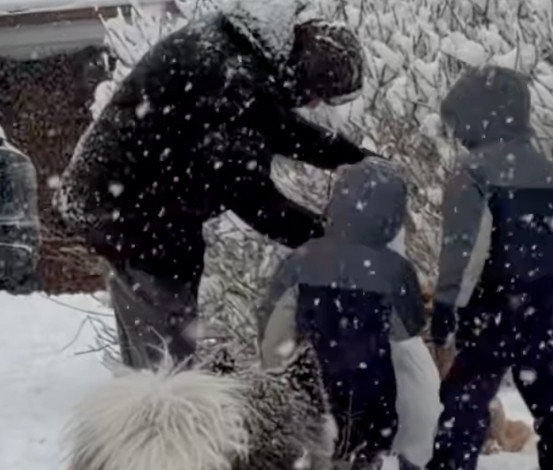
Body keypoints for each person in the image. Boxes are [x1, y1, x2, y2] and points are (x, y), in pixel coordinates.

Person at [57, 0, 371, 368]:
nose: (313, 104)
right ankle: (164, 416)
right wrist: (328, 240)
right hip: (130, 214)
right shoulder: (229, 78)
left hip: (132, 204)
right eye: (316, 94)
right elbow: (251, 196)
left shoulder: (239, 54)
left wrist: (356, 160)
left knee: (161, 336)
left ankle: (153, 401)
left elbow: (277, 127)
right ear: (303, 72)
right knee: (166, 351)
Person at [424, 65, 553, 470]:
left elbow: (465, 252)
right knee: (542, 378)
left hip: (492, 302)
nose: (458, 133)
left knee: (469, 385)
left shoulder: (474, 173)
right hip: (543, 300)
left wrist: (447, 309)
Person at [259, 158, 439, 470]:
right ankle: (369, 466)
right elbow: (408, 330)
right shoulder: (395, 270)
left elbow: (272, 328)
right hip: (371, 384)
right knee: (372, 432)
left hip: (308, 382)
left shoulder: (300, 260)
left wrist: (277, 367)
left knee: (314, 432)